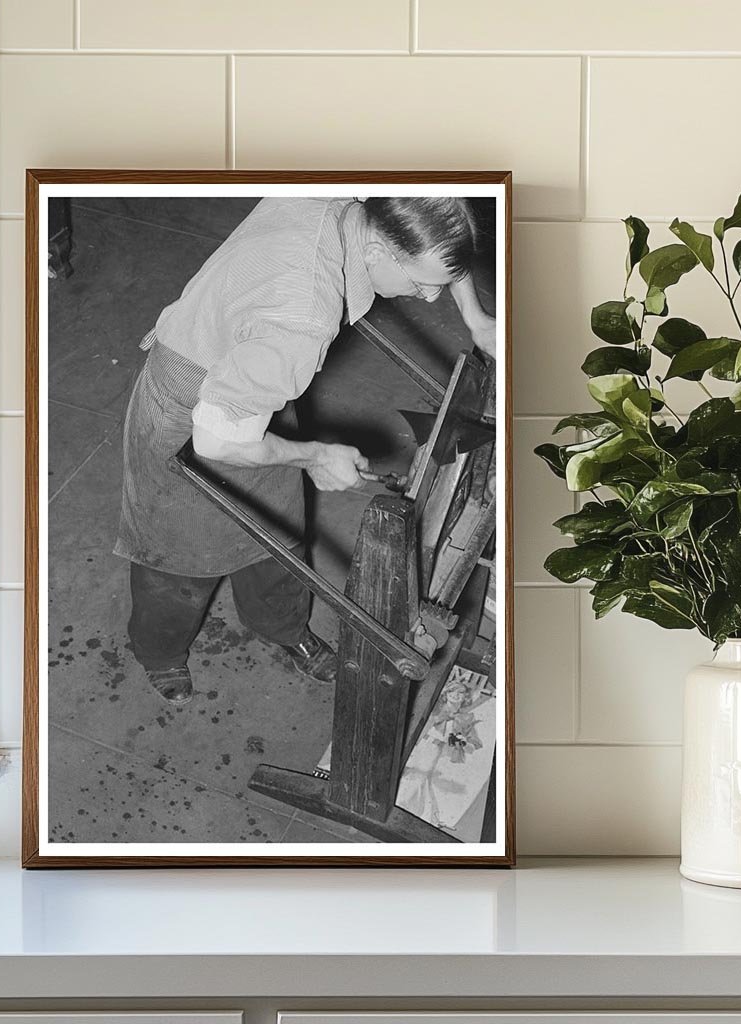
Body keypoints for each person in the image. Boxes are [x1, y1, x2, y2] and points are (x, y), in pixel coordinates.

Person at [113, 196, 496, 705]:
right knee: (178, 564)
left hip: (254, 390)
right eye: (421, 282)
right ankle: (160, 652)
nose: (429, 298)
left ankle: (283, 626)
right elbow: (218, 440)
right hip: (186, 410)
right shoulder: (302, 317)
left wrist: (475, 316)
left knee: (280, 532)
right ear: (380, 249)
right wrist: (314, 456)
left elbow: (440, 236)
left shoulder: (346, 195)